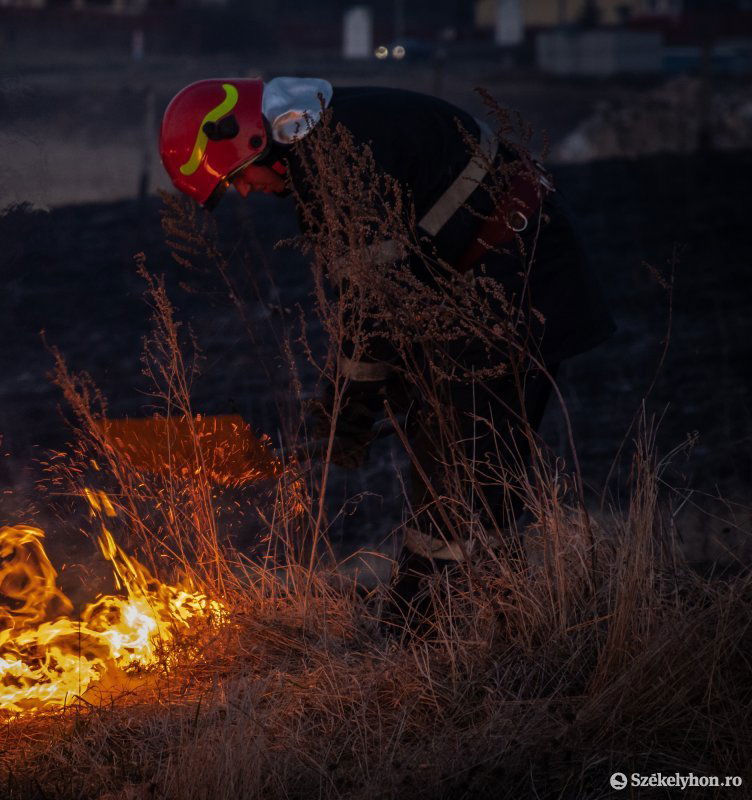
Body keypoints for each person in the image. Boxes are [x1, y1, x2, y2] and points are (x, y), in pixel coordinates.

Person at [158, 77, 614, 629]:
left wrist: (346, 414)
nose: (247, 193)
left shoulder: (338, 158)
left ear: (256, 139)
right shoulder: (331, 128)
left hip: (518, 283)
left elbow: (369, 308)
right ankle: (499, 620)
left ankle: (422, 623)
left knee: (460, 458)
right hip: (487, 281)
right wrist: (353, 407)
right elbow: (387, 295)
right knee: (467, 456)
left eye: (237, 178)